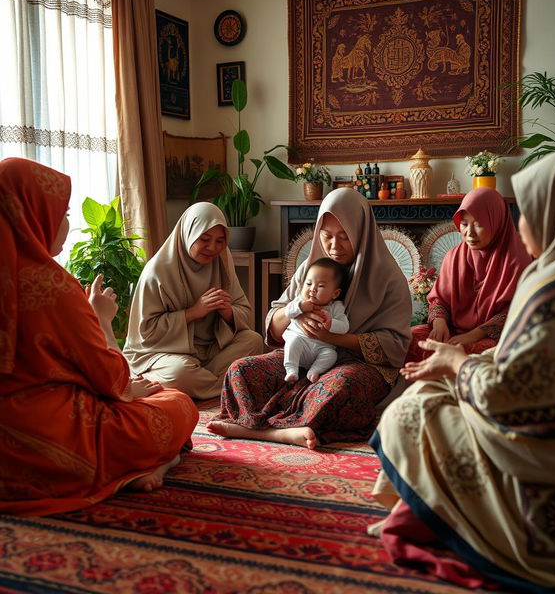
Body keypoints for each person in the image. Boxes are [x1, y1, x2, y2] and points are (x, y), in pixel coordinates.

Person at [370, 149, 555, 592]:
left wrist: (458, 362)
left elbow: (507, 394)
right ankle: (419, 510)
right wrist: (452, 342)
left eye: (528, 212)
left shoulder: (553, 285)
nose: (522, 225)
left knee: (414, 408)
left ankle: (438, 518)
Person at [0, 157, 199, 516]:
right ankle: (145, 465)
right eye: (63, 214)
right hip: (55, 442)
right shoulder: (50, 285)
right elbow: (111, 379)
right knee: (177, 402)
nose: (67, 224)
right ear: (34, 212)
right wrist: (103, 320)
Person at [207, 187, 412, 449]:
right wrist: (297, 312)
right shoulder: (312, 268)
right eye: (326, 236)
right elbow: (273, 323)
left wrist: (332, 336)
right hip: (303, 353)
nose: (334, 247)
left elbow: (394, 345)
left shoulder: (388, 277)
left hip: (358, 364)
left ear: (361, 233)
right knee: (241, 370)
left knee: (340, 388)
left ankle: (262, 430)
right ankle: (284, 430)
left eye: (344, 237)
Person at [123, 202, 263, 400]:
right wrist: (194, 312)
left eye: (220, 241)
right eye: (205, 239)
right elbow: (146, 333)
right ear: (188, 233)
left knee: (253, 340)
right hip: (163, 354)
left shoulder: (222, 261)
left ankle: (203, 383)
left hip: (209, 351)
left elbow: (245, 313)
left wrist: (228, 312)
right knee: (180, 373)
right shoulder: (158, 272)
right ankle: (227, 383)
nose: (212, 248)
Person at [405, 187, 531, 363]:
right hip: (453, 330)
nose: (469, 233)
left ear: (497, 222)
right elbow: (439, 299)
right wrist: (439, 322)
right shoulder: (455, 255)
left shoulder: (517, 259)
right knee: (407, 339)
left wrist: (474, 335)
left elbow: (516, 312)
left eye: (479, 224)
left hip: (495, 335)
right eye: (464, 224)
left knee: (471, 352)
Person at [283, 257, 349, 383]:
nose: (313, 289)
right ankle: (291, 370)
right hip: (301, 343)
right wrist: (300, 307)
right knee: (293, 341)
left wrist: (331, 324)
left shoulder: (336, 307)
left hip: (321, 348)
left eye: (321, 286)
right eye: (308, 284)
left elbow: (345, 327)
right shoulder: (300, 300)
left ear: (335, 294)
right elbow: (288, 312)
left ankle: (314, 371)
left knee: (331, 355)